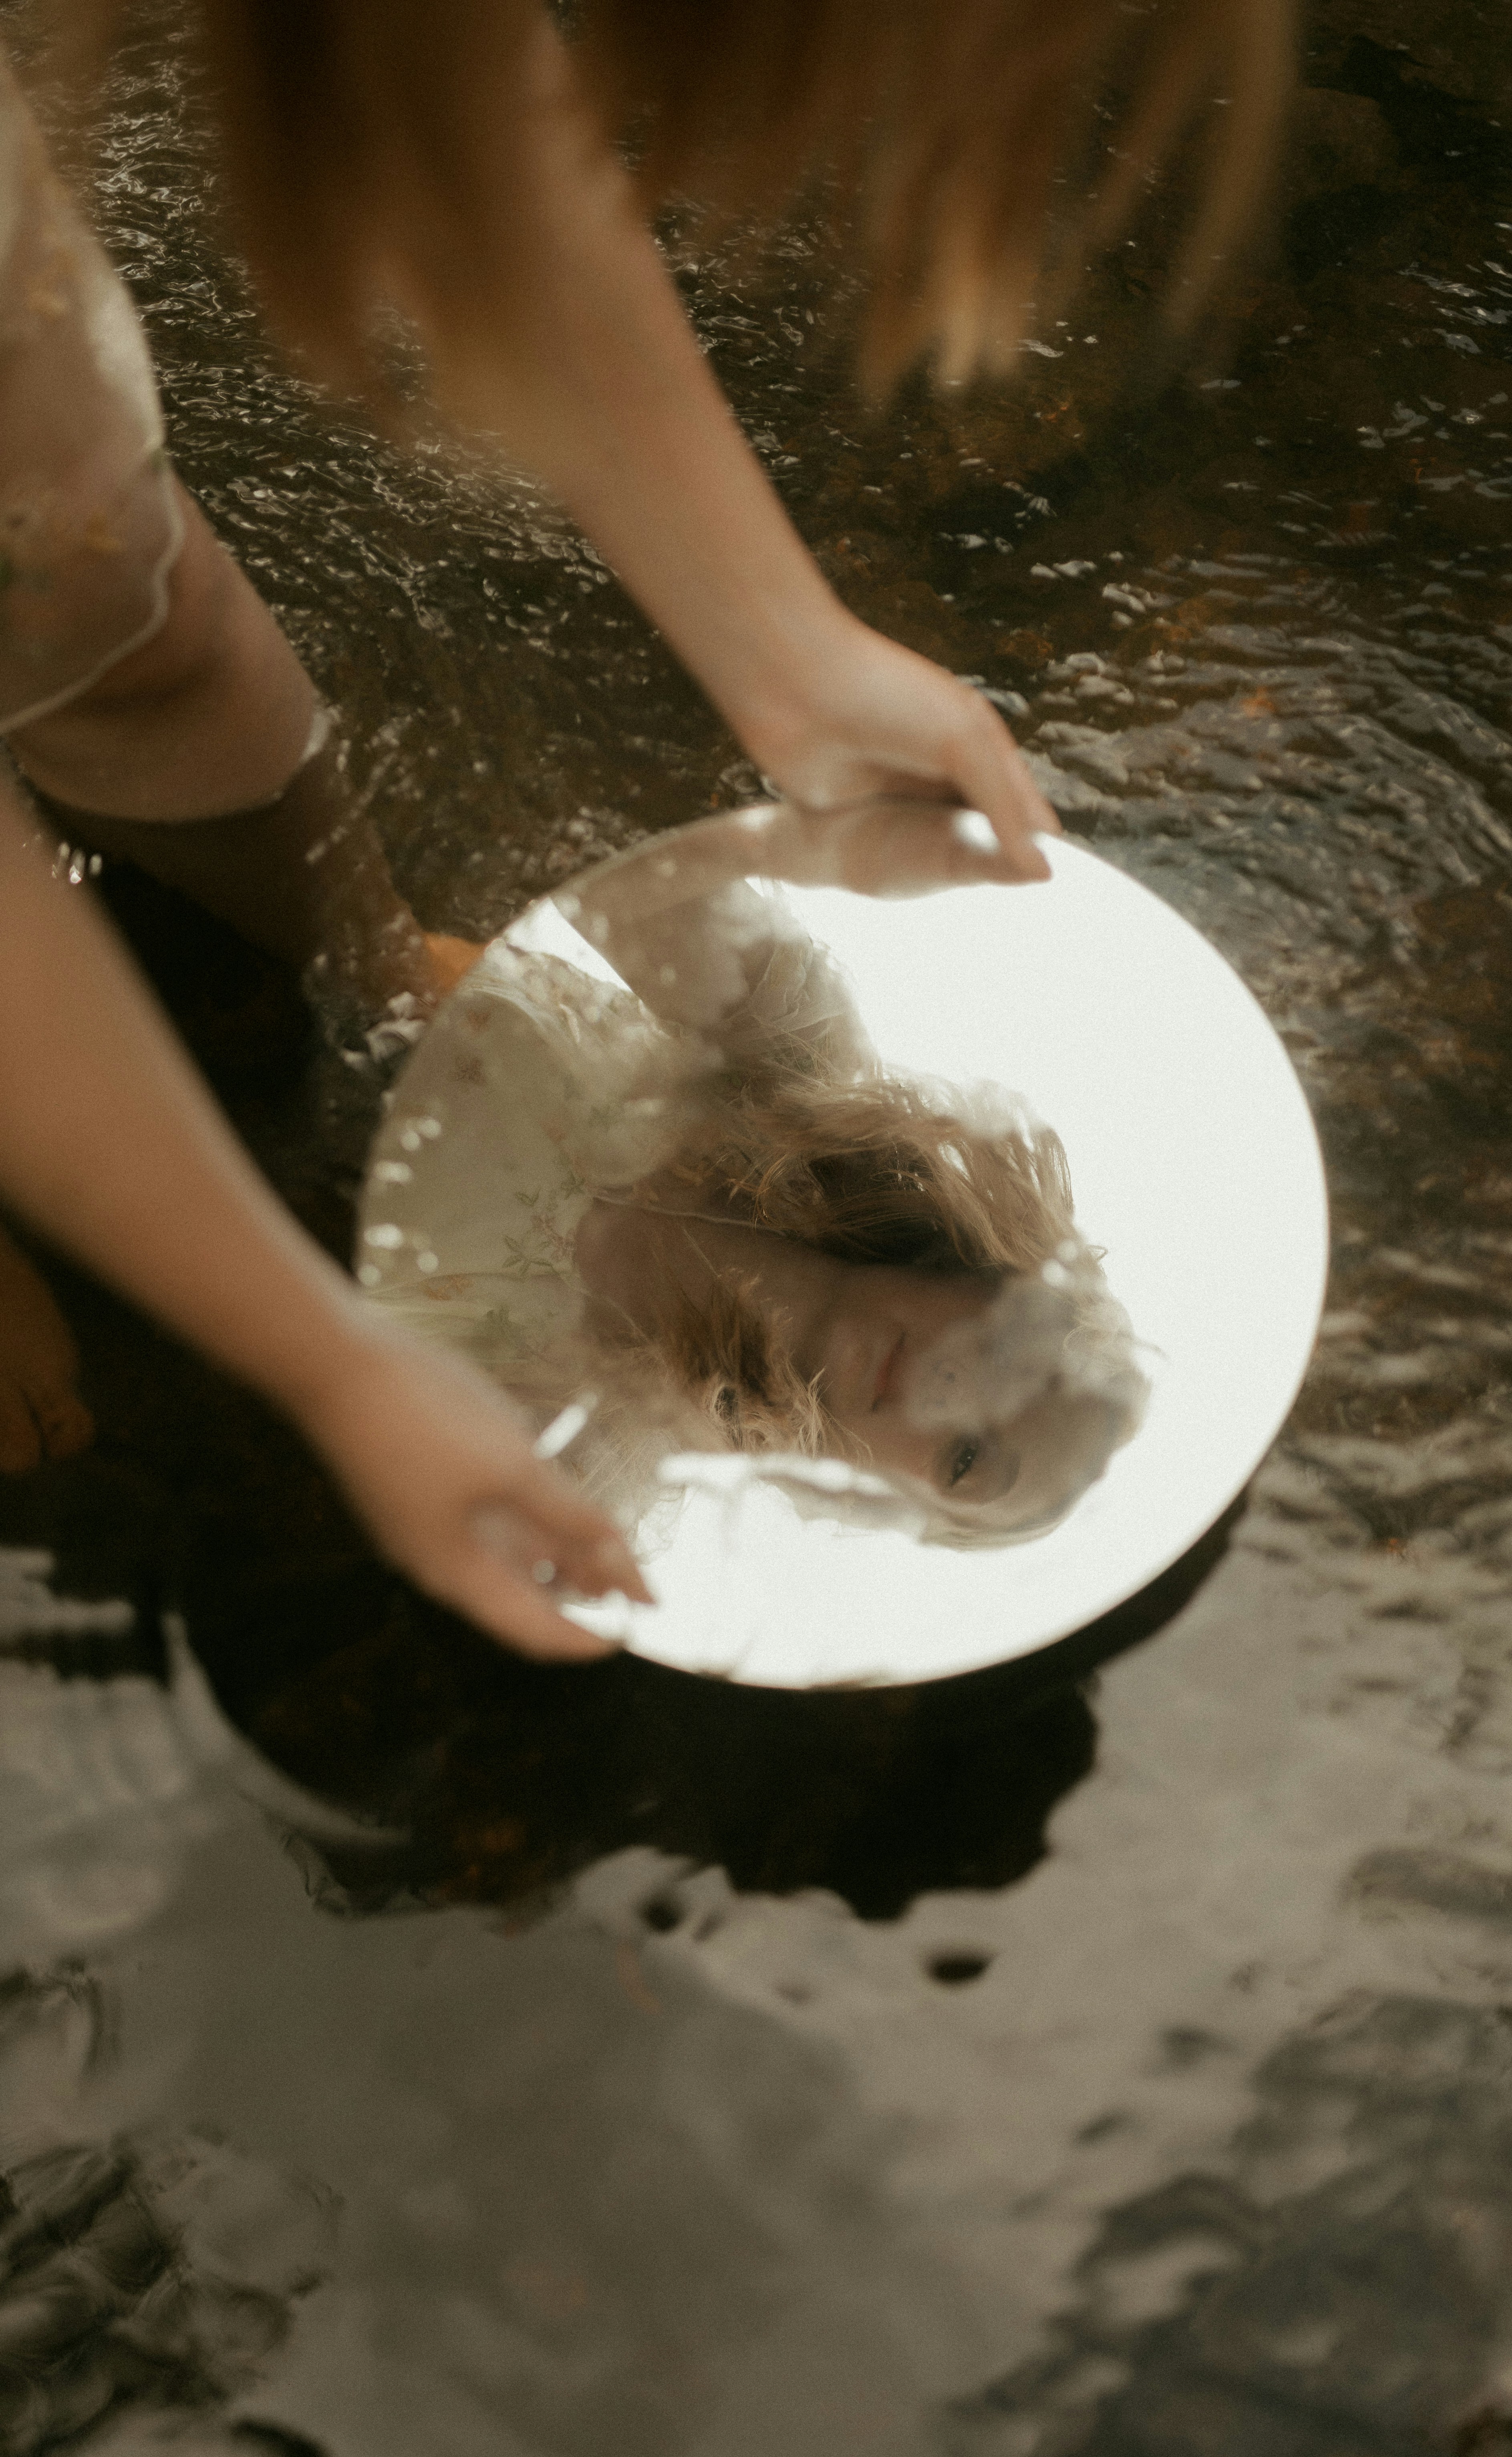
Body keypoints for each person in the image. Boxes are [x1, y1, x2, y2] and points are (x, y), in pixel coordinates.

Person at [0, 0, 1289, 1651]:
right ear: (986, 1253)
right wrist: (321, 1367)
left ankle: (367, 951)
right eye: (1009, 1346)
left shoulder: (682, 1426)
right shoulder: (796, 1076)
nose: (957, 1379)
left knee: (128, 615)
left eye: (965, 1450)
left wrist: (790, 665)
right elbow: (692, 936)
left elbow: (435, 80)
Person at [363, 801, 1148, 1548]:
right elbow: (595, 842)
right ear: (987, 1278)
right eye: (1010, 1364)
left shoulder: (592, 1470)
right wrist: (776, 841)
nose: (951, 1399)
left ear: (882, 1505)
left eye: (966, 1460)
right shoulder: (800, 1068)